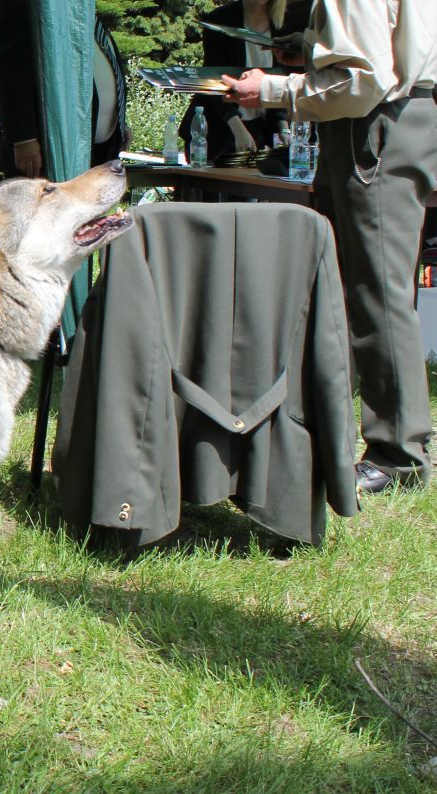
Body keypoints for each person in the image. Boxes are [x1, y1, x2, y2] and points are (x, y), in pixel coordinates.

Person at [223, 0, 437, 493]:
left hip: (376, 127)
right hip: (405, 120)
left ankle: (398, 455)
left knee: (374, 293)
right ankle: (380, 440)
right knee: (378, 290)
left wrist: (272, 89)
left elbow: (365, 82)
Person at [0, 0, 130, 178]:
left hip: (94, 152)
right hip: (45, 154)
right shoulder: (27, 5)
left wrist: (119, 122)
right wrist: (23, 138)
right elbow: (11, 70)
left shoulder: (81, 11)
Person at [179, 0, 292, 161]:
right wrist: (237, 129)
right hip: (218, 128)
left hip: (260, 129)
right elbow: (215, 80)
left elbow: (280, 81)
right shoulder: (220, 19)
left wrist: (283, 128)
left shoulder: (284, 24)